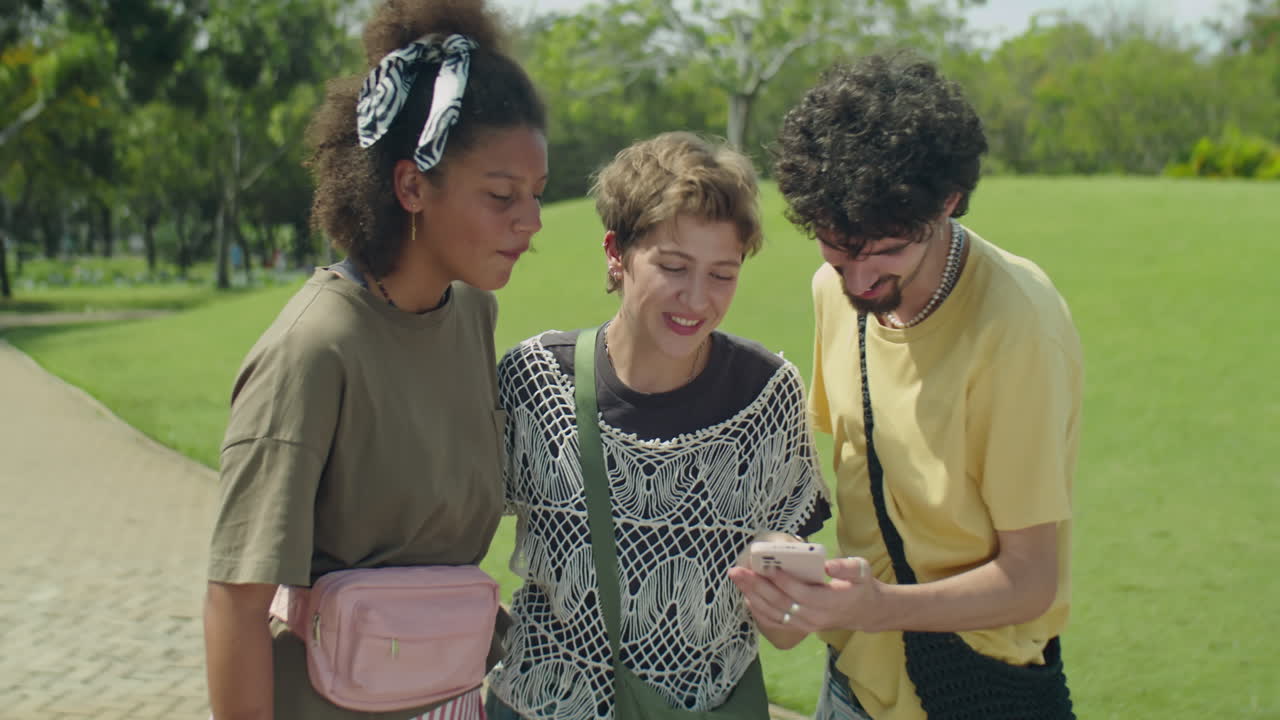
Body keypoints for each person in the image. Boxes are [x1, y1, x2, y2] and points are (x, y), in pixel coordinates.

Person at [202, 1, 547, 718]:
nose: (531, 221)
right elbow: (235, 603)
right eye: (501, 195)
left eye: (536, 195)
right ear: (411, 186)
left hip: (451, 701)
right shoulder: (313, 349)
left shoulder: (473, 314)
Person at [730, 53, 1083, 720]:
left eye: (887, 250)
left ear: (946, 203)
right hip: (853, 680)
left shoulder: (1017, 328)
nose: (860, 280)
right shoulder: (833, 292)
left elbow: (1031, 579)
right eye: (838, 249)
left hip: (978, 689)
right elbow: (858, 477)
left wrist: (879, 608)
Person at [487, 132, 830, 720]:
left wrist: (791, 588)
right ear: (616, 253)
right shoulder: (534, 380)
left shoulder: (769, 394)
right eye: (674, 266)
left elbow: (788, 619)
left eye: (722, 274)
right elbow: (448, 542)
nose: (696, 299)